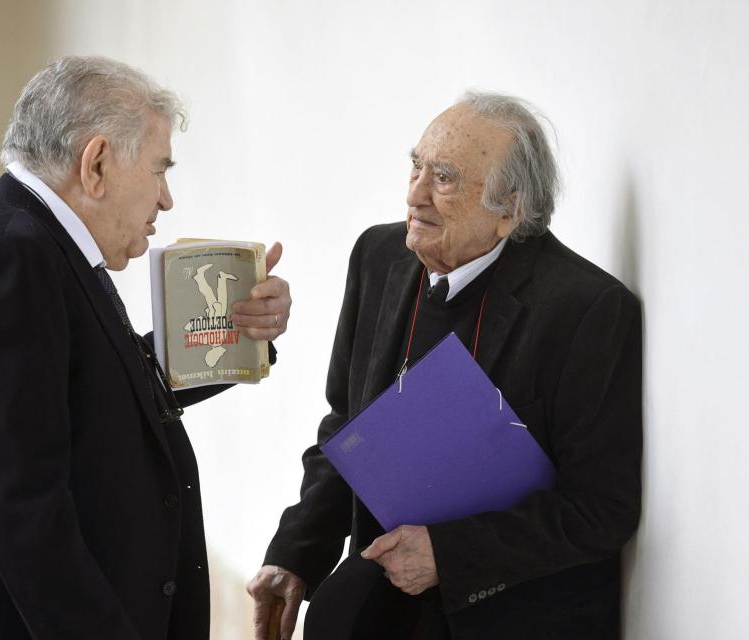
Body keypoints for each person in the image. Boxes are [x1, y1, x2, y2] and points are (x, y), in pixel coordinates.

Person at [247, 92, 642, 639]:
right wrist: (296, 554)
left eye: (445, 178)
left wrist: (448, 554)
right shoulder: (379, 258)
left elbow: (601, 509)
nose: (414, 194)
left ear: (510, 210)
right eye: (416, 166)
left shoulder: (585, 310)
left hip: (509, 611)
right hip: (386, 597)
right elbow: (347, 430)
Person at [0, 55, 291, 639]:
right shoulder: (12, 260)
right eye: (159, 169)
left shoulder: (8, 237)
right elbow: (24, 509)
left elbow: (91, 389)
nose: (166, 199)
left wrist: (240, 335)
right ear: (96, 164)